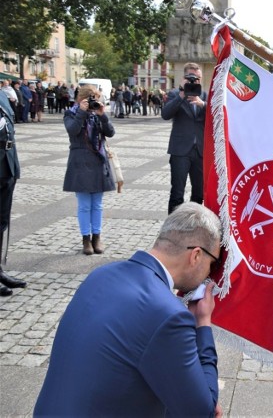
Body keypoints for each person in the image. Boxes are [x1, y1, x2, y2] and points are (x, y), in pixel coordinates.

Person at [34, 202, 223, 417]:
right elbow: (201, 411)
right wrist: (203, 324)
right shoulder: (169, 316)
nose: (210, 273)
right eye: (213, 264)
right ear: (196, 256)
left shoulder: (101, 274)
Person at [62, 85, 116, 255]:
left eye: (96, 98)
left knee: (98, 205)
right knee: (85, 205)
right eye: (91, 99)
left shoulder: (97, 115)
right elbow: (73, 130)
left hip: (98, 161)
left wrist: (103, 115)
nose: (94, 102)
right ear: (81, 99)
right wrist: (82, 112)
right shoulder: (71, 113)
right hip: (80, 162)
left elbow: (111, 132)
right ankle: (86, 239)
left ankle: (97, 237)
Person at [162, 62, 207, 214]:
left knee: (199, 193)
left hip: (200, 151)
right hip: (180, 150)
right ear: (184, 77)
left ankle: (194, 228)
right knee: (177, 193)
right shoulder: (175, 94)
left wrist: (203, 105)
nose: (195, 82)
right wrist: (182, 94)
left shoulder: (205, 95)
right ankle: (172, 230)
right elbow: (165, 114)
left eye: (198, 78)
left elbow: (216, 118)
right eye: (192, 78)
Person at [0, 92, 27, 297]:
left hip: (6, 167)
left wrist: (14, 168)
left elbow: (10, 133)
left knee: (1, 222)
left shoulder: (2, 95)